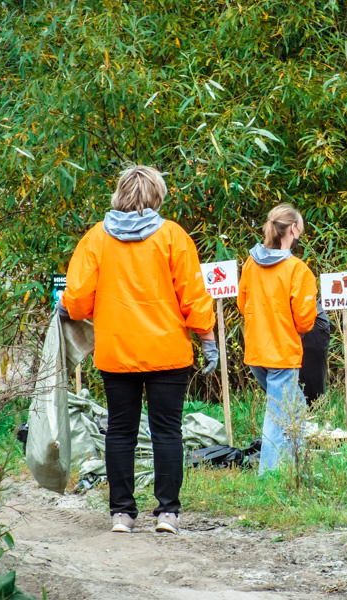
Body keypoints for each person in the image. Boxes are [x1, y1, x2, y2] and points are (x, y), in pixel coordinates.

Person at [57, 165, 219, 534]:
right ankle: (167, 514)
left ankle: (122, 514)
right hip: (168, 352)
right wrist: (207, 340)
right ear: (157, 195)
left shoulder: (97, 238)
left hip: (117, 351)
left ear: (119, 194)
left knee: (120, 431)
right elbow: (193, 295)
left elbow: (78, 300)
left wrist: (66, 306)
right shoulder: (173, 237)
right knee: (167, 431)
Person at [238, 204, 317, 474]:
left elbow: (242, 303)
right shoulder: (297, 270)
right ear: (293, 229)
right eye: (301, 227)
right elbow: (305, 319)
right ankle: (270, 478)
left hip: (256, 350)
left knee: (294, 407)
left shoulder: (251, 263)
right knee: (277, 414)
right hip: (282, 352)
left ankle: (296, 467)